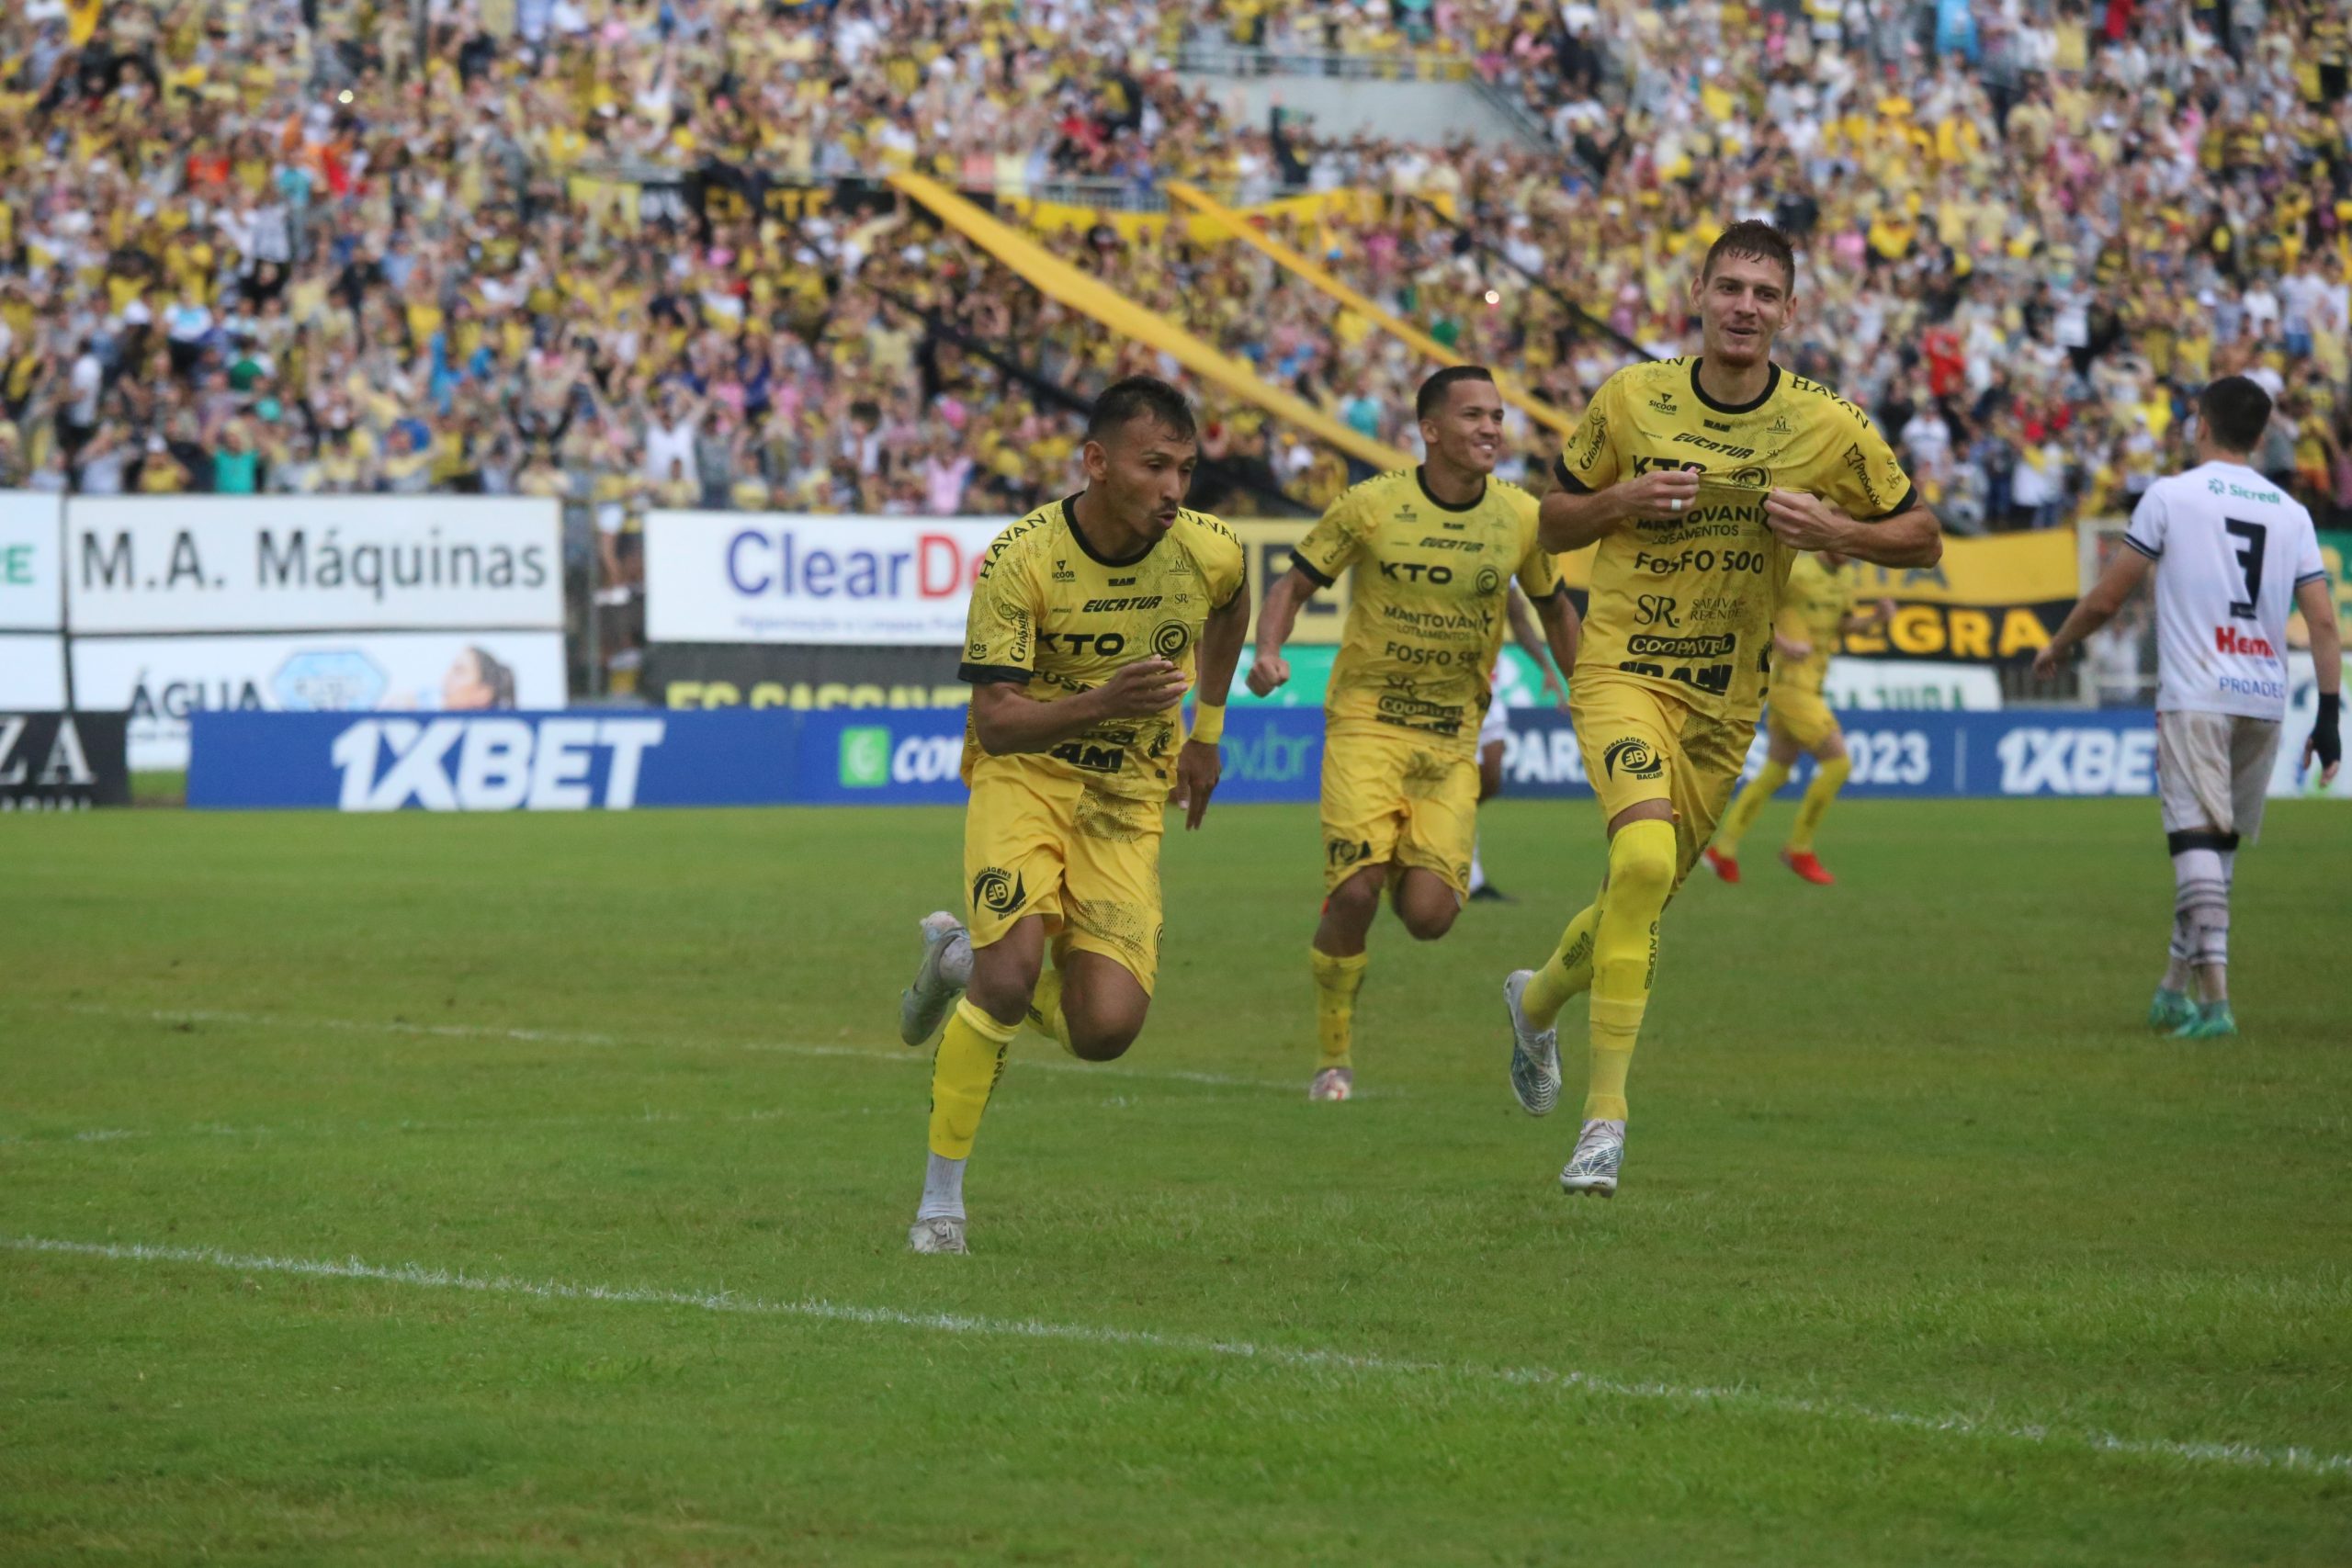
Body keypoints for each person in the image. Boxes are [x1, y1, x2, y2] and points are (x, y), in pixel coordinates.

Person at [1500, 220, 1942, 1196]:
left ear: (1789, 311)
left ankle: (1533, 1004)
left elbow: (1922, 536)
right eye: (1729, 286)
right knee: (1645, 858)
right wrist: (1619, 502)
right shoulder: (1631, 397)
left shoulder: (1826, 424)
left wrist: (1838, 530)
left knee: (1641, 891)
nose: (1744, 305)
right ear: (1696, 293)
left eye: (1764, 292)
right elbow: (1549, 518)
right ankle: (1604, 1125)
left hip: (1723, 699)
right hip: (1620, 667)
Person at [894, 377, 1250, 1254]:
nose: (1173, 488)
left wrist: (1206, 731)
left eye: (1187, 469)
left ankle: (951, 959)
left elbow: (1235, 601)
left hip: (1127, 800)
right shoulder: (1022, 557)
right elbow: (998, 720)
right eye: (1154, 465)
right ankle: (941, 1204)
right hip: (1025, 778)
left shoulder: (1208, 550)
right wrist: (1103, 700)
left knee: (1105, 1030)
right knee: (1011, 976)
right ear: (1096, 462)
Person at [1249, 366, 1578, 1100]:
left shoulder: (1522, 518)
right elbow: (1291, 584)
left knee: (1429, 918)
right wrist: (1269, 650)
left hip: (1451, 738)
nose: (1492, 428)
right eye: (1473, 416)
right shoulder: (1371, 505)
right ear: (1430, 430)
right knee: (1357, 891)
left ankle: (1393, 854)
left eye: (1497, 415)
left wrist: (1583, 689)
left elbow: (1555, 609)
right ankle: (1333, 1058)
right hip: (1366, 724)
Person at [2033, 376, 2342, 1039]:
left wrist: (2058, 643)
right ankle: (2174, 987)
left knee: (2194, 842)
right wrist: (2329, 714)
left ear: (2200, 425)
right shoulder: (2292, 513)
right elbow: (2322, 622)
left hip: (2196, 694)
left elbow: (2109, 597)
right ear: (2261, 437)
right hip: (2264, 699)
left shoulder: (2170, 497)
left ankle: (2216, 1002)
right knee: (2217, 850)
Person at [1702, 551, 1895, 886]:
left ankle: (1723, 848)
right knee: (1839, 764)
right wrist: (1782, 643)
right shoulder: (1796, 569)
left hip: (1810, 684)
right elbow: (1751, 608)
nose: (1852, 549)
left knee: (1776, 771)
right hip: (1791, 686)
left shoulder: (1845, 576)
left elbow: (1842, 624)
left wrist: (1874, 619)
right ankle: (1799, 848)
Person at [1467, 582, 1575, 904]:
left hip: (1491, 685)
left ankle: (1439, 842)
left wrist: (1546, 666)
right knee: (1461, 786)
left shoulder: (1506, 550)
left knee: (1491, 779)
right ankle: (1469, 878)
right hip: (1453, 687)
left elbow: (1519, 618)